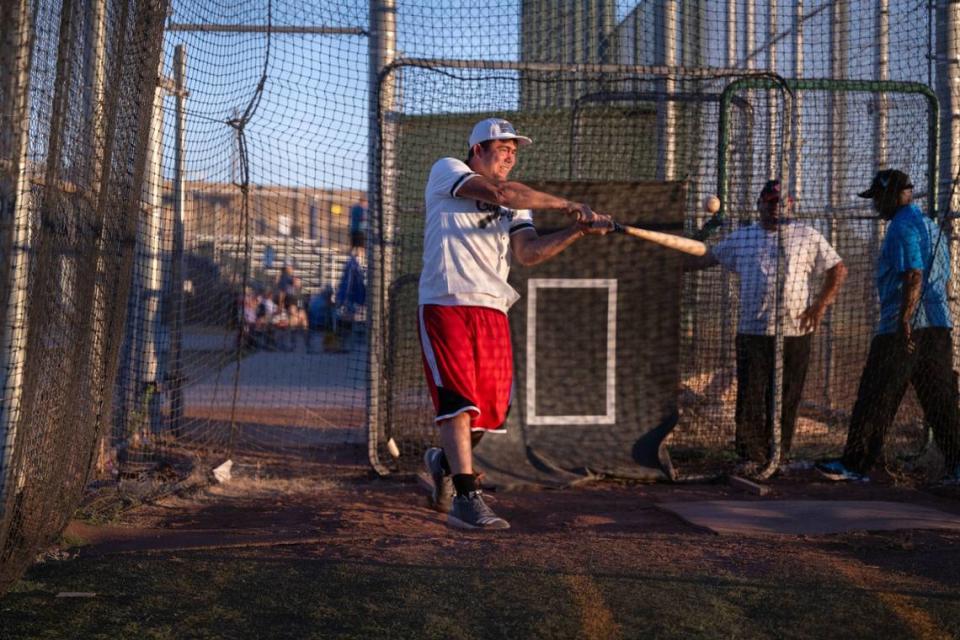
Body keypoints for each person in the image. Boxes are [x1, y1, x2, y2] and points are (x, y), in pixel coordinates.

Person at [419, 117, 612, 530]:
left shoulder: (519, 204)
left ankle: (442, 462)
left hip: (492, 310)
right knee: (457, 401)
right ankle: (467, 498)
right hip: (446, 301)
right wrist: (566, 204)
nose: (510, 155)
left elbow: (528, 254)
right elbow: (501, 192)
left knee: (488, 412)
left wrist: (575, 230)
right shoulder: (448, 170)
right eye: (502, 147)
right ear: (477, 150)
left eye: (514, 150)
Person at [687, 180, 847, 468]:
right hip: (753, 331)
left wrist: (819, 305)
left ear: (790, 205)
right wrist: (678, 254)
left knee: (787, 397)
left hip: (795, 331)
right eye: (770, 202)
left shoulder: (806, 235)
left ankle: (779, 456)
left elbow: (838, 268)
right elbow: (706, 259)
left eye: (780, 202)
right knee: (751, 395)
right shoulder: (744, 237)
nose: (775, 208)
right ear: (759, 205)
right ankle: (750, 456)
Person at [816, 169, 960, 483]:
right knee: (941, 400)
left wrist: (904, 320)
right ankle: (957, 464)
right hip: (939, 326)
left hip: (903, 327)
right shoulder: (932, 227)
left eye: (879, 198)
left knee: (876, 394)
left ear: (893, 196)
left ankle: (854, 465)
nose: (876, 205)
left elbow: (914, 275)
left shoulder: (901, 227)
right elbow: (941, 276)